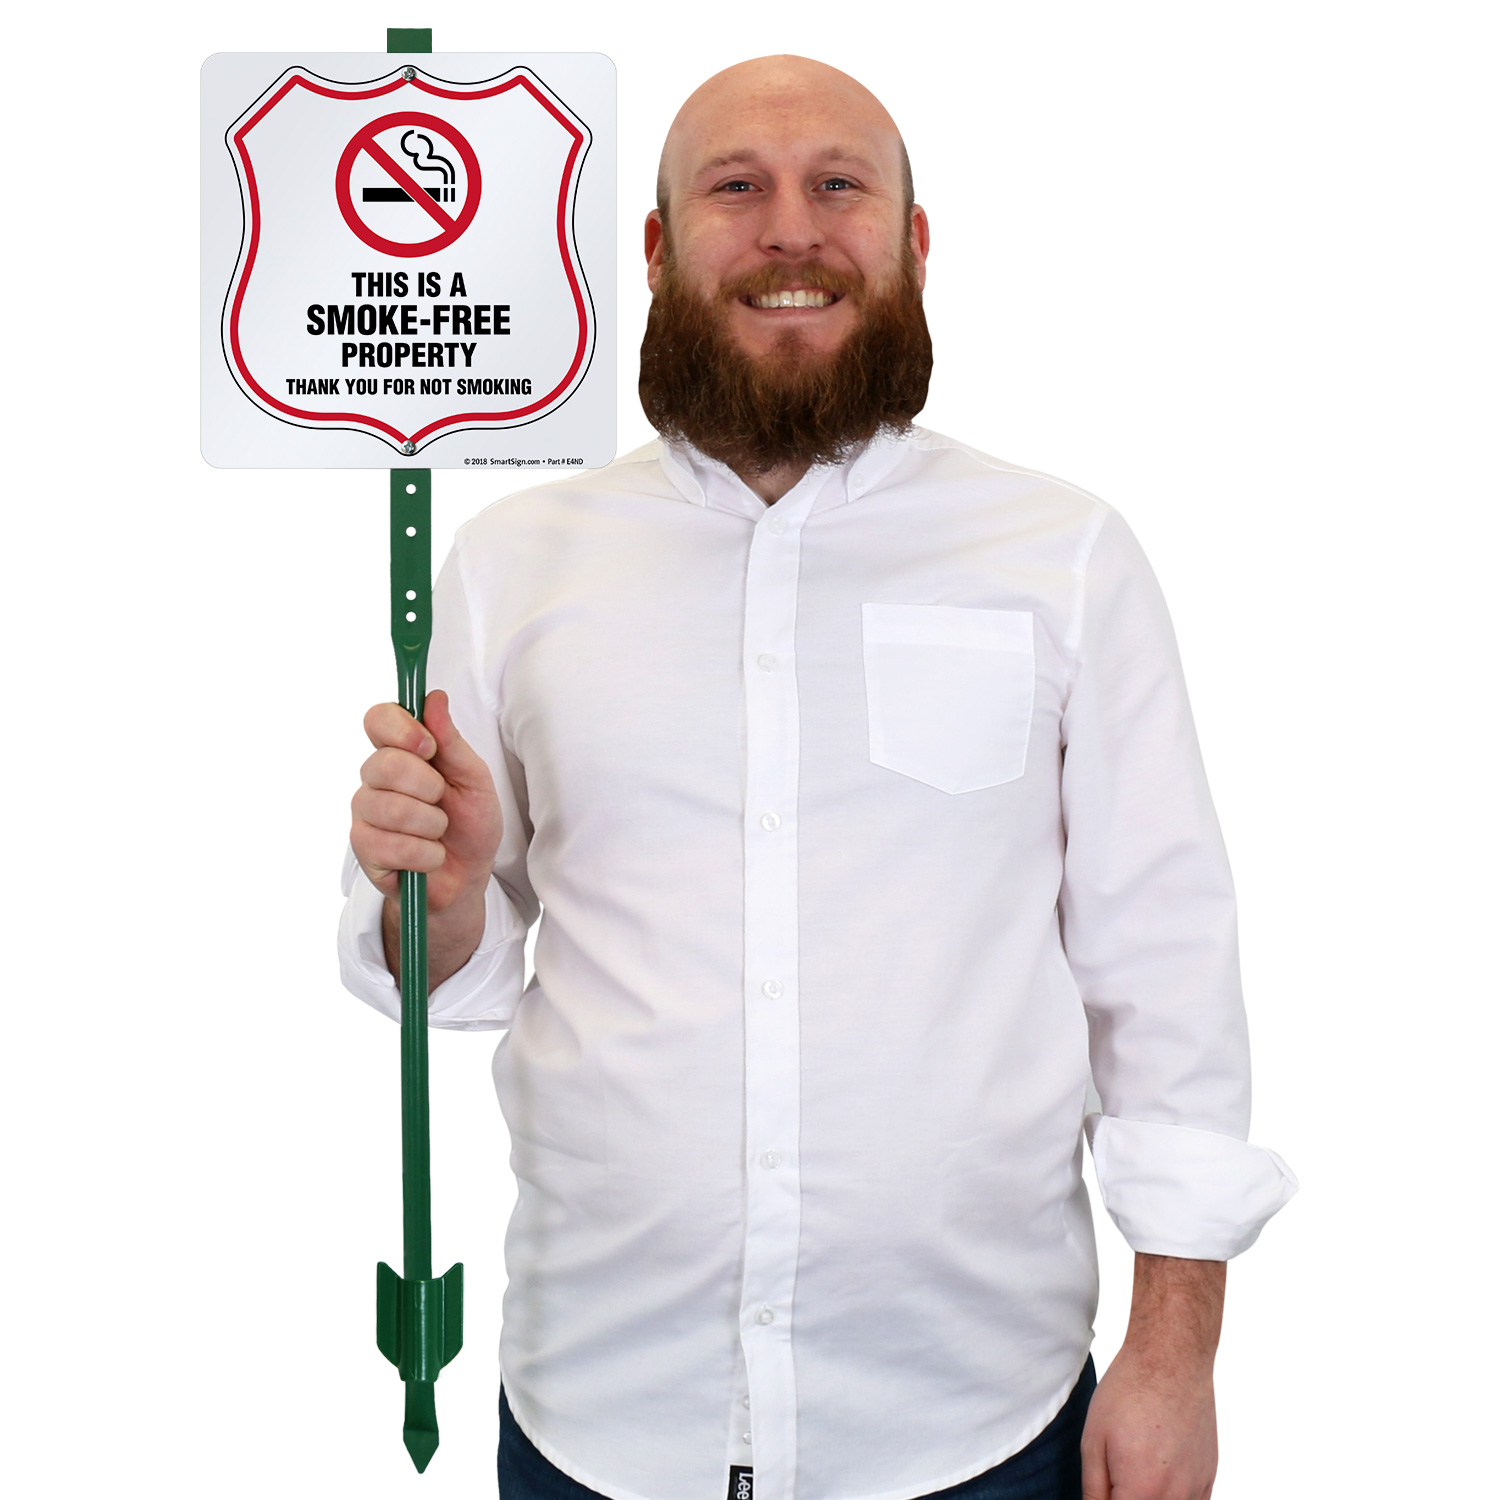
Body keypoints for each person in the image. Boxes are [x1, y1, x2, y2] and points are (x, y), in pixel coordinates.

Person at [339, 54, 1297, 1500]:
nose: (791, 229)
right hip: (602, 1411)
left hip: (975, 1421)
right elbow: (442, 975)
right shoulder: (510, 564)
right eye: (736, 187)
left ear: (914, 241)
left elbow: (1164, 972)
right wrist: (448, 894)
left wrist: (1174, 1353)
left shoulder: (1063, 556)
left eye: (838, 185)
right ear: (656, 249)